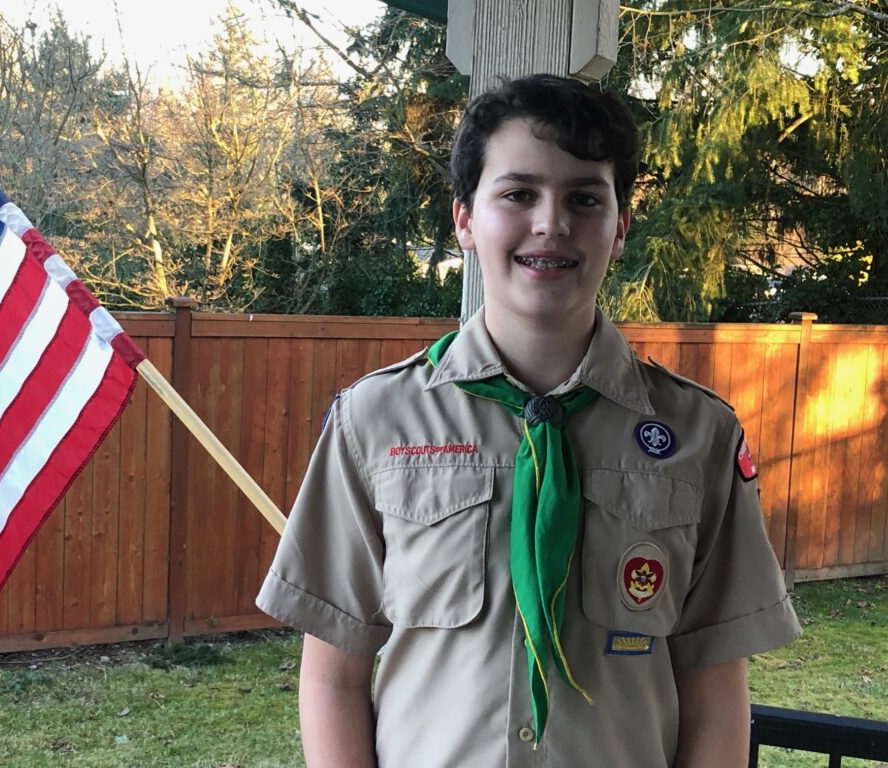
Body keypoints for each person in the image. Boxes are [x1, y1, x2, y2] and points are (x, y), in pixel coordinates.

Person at [256, 74, 801, 767]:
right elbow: (333, 677)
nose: (551, 222)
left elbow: (718, 693)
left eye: (584, 198)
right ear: (465, 220)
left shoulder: (699, 434)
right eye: (518, 194)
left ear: (620, 224)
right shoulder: (377, 421)